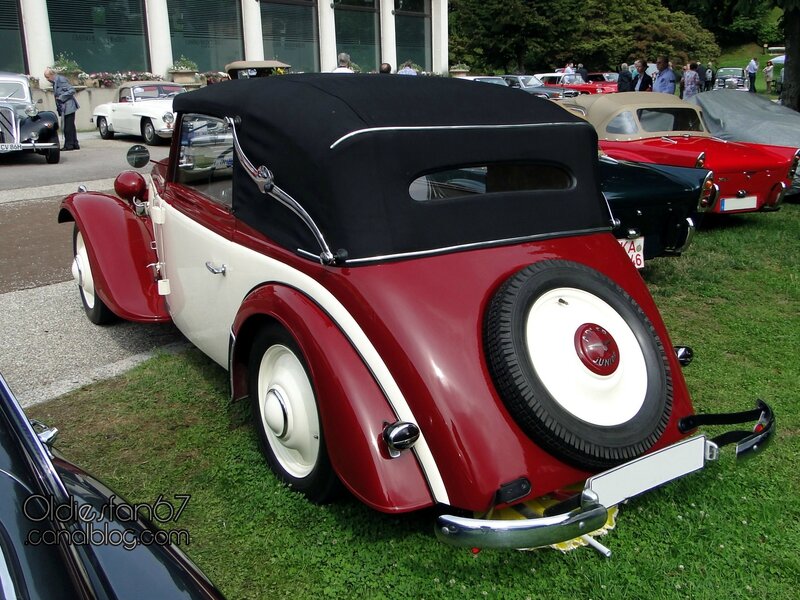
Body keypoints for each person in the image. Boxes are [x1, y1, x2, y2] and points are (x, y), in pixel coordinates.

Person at [44, 67, 80, 150]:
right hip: (64, 107)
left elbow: (72, 90)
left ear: (52, 75)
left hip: (68, 106)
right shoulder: (55, 81)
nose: (47, 79)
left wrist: (61, 97)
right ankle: (74, 143)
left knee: (67, 127)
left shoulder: (61, 79)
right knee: (70, 126)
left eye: (47, 77)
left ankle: (69, 145)